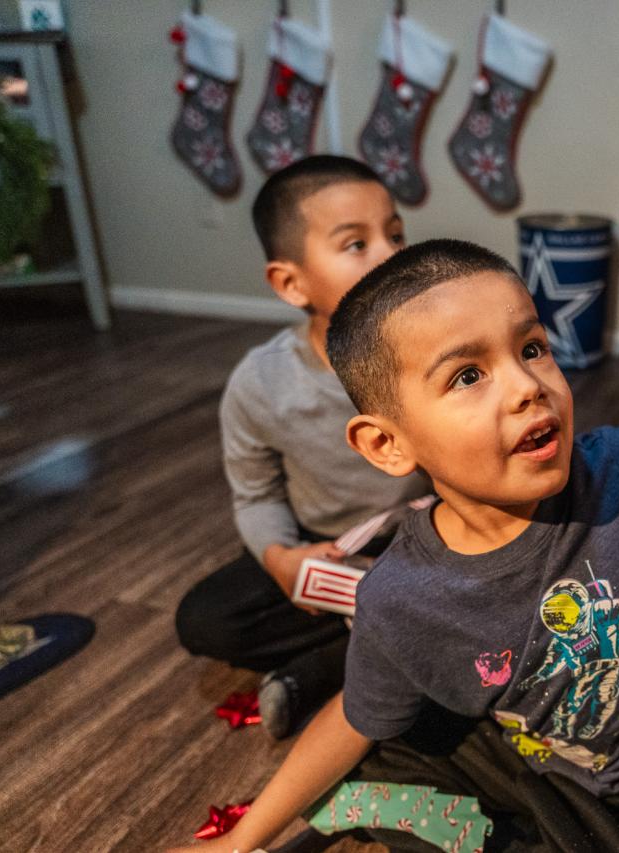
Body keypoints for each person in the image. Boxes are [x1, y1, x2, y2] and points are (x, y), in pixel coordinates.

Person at [169, 166, 619, 852]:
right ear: (388, 443)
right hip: (530, 755)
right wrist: (242, 840)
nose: (526, 386)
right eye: (467, 375)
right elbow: (355, 717)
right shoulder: (399, 594)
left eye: (532, 348)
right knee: (385, 742)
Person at [174, 156, 429, 738]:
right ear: (291, 283)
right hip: (329, 550)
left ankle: (323, 670)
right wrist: (283, 560)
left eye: (396, 235)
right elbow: (256, 495)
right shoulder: (260, 383)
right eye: (356, 244)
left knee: (490, 586)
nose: (391, 257)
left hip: (425, 544)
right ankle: (381, 646)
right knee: (207, 619)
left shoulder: (434, 353)